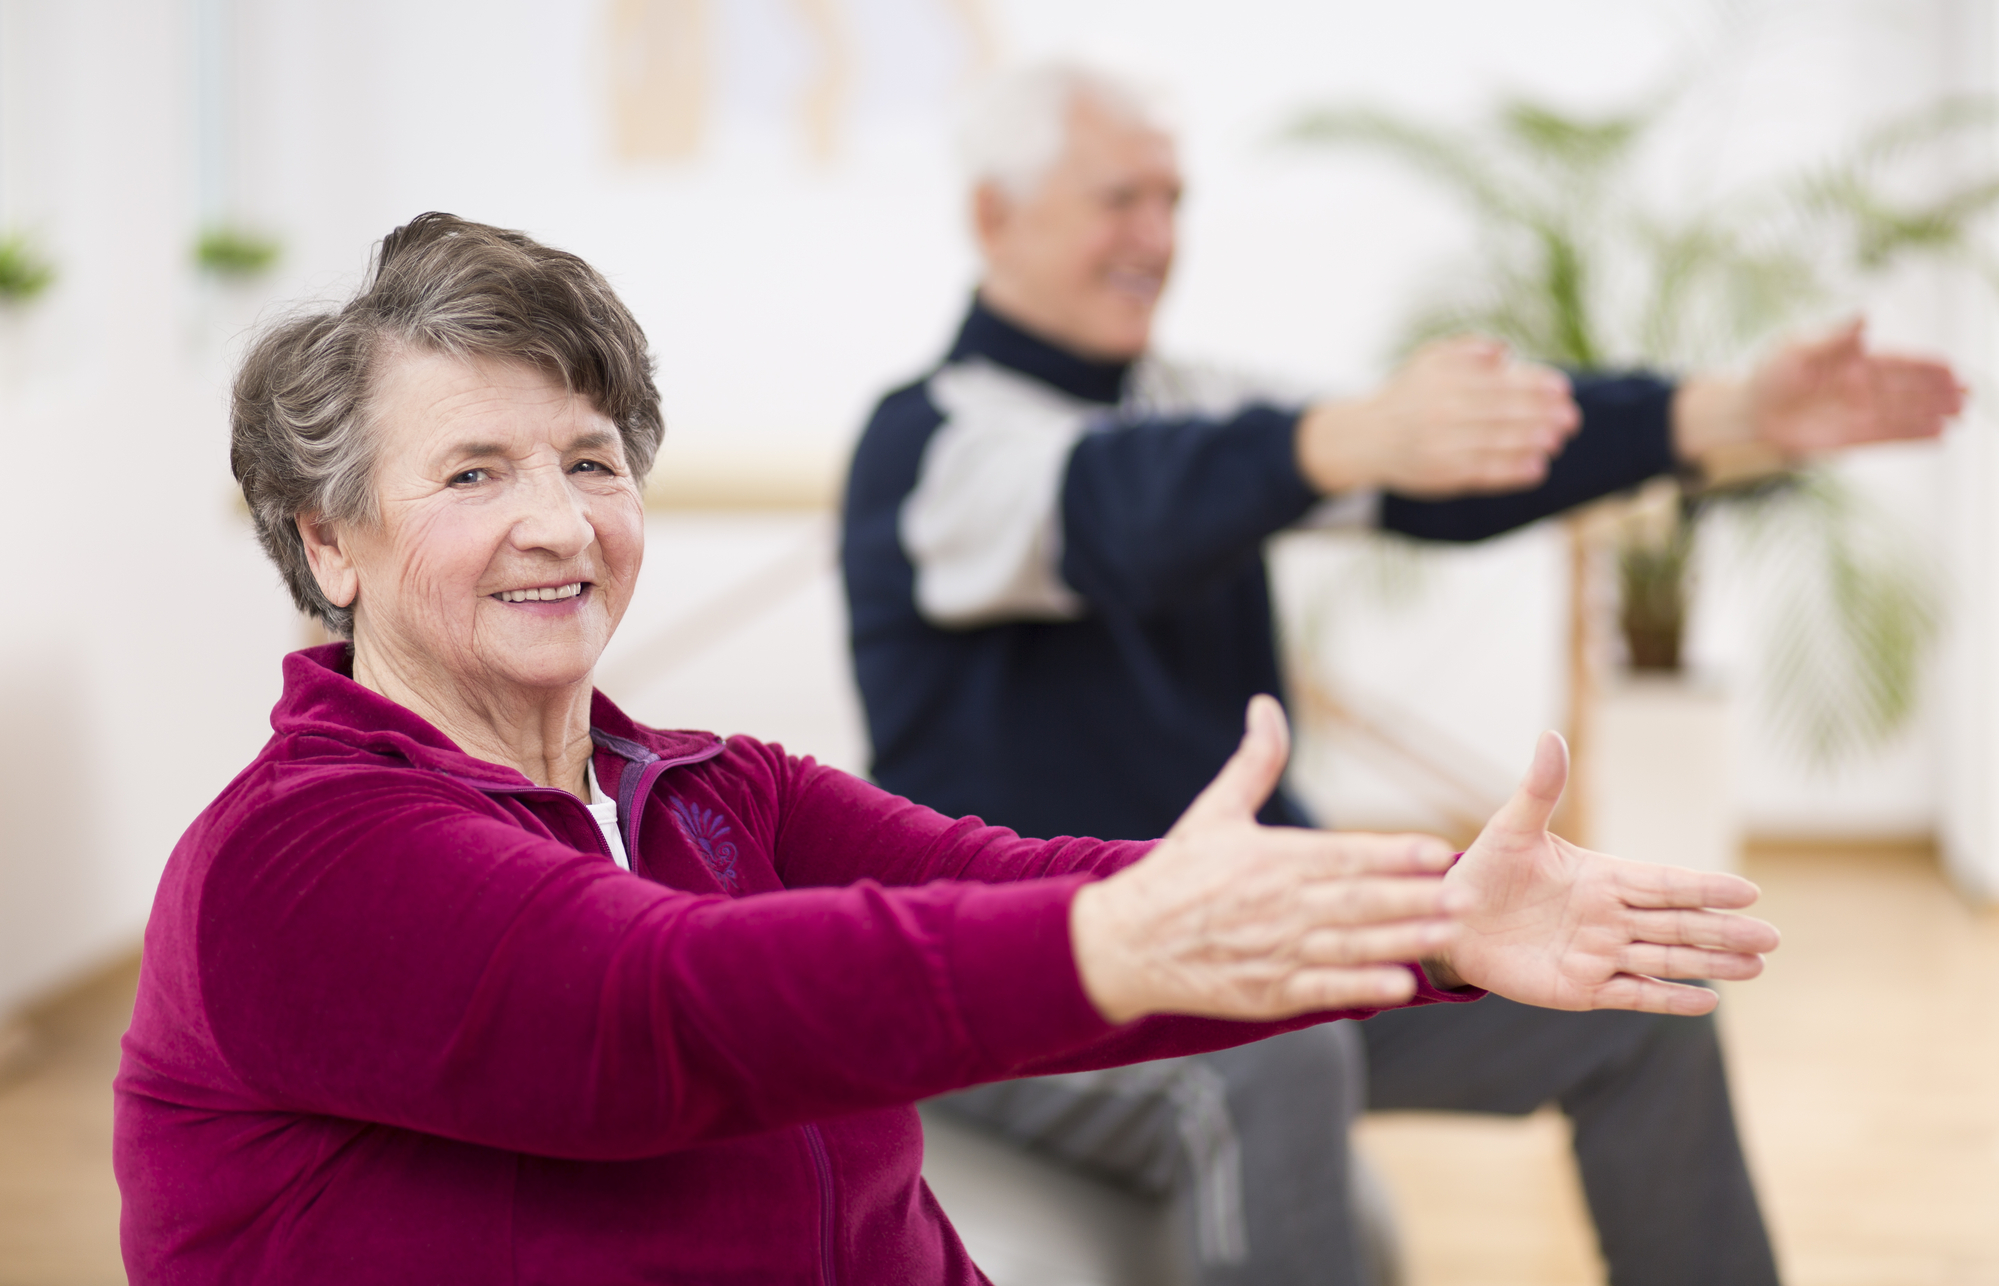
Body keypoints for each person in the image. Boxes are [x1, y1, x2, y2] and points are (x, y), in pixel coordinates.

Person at [112, 213, 1778, 1286]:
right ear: (328, 540)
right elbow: (666, 1009)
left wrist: (1434, 925)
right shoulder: (296, 854)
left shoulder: (701, 789)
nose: (556, 520)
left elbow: (1009, 874)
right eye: (472, 472)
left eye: (589, 457)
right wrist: (1106, 944)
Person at [841, 63, 1962, 1286]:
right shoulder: (928, 447)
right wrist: (1341, 440)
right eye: (1119, 199)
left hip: (1265, 946)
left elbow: (1467, 463)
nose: (1157, 238)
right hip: (1045, 973)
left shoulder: (1206, 408)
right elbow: (1121, 509)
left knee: (1643, 998)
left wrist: (1727, 410)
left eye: (1173, 200)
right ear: (995, 217)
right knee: (1276, 1055)